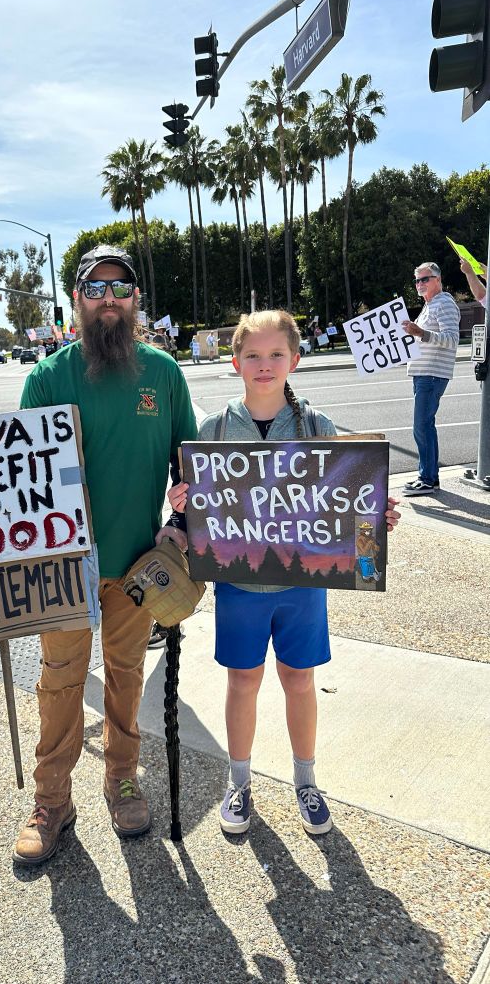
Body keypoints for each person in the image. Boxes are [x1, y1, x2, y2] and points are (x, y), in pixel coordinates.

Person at [167, 310, 400, 837]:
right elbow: (191, 511)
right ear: (235, 363)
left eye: (276, 355)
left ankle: (306, 780)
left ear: (295, 360)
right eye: (253, 354)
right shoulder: (215, 429)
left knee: (300, 680)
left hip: (302, 586)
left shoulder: (316, 426)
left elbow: (350, 501)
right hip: (239, 586)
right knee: (243, 681)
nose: (264, 364)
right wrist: (180, 505)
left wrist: (375, 517)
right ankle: (240, 780)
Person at [13, 244, 197, 866]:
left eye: (121, 289)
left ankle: (122, 776)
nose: (109, 300)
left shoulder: (163, 374)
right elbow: (16, 481)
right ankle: (52, 800)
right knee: (61, 680)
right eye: (96, 289)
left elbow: (193, 467)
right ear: (76, 301)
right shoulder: (46, 378)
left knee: (125, 677)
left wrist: (180, 520)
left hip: (136, 561)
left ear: (137, 300)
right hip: (61, 564)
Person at [400, 261, 460, 496]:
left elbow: (451, 339)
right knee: (425, 426)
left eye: (425, 279)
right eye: (417, 280)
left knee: (422, 426)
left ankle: (427, 478)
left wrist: (420, 333)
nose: (420, 284)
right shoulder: (430, 305)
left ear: (438, 279)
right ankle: (429, 478)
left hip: (433, 374)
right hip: (424, 374)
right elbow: (426, 339)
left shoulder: (444, 302)